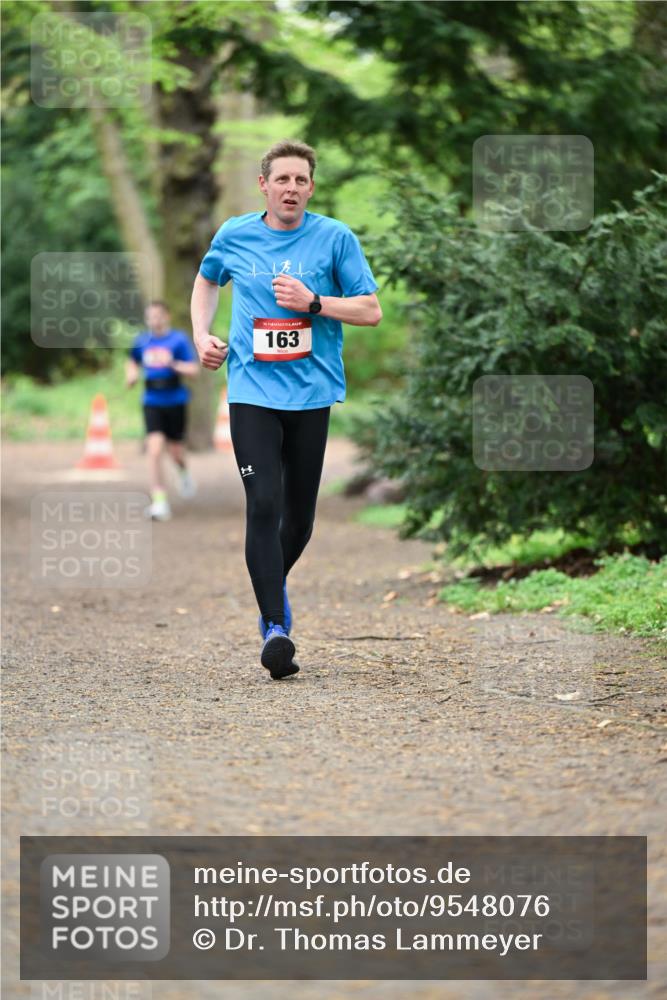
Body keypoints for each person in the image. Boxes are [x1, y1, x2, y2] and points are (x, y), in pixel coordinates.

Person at [191, 139, 382, 680]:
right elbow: (207, 280)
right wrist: (201, 334)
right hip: (251, 391)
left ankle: (267, 584)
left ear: (311, 187)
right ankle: (275, 627)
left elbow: (371, 310)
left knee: (299, 520)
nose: (291, 188)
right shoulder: (234, 234)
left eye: (301, 180)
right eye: (282, 180)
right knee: (264, 500)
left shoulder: (334, 238)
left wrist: (315, 303)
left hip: (312, 394)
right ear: (264, 186)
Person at [126, 300, 199, 521]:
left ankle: (183, 472)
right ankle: (159, 503)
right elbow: (131, 361)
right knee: (155, 449)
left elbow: (194, 369)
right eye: (150, 316)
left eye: (158, 315)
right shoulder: (142, 341)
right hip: (152, 400)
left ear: (166, 316)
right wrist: (131, 375)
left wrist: (173, 364)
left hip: (175, 400)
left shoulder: (178, 340)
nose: (154, 320)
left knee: (176, 452)